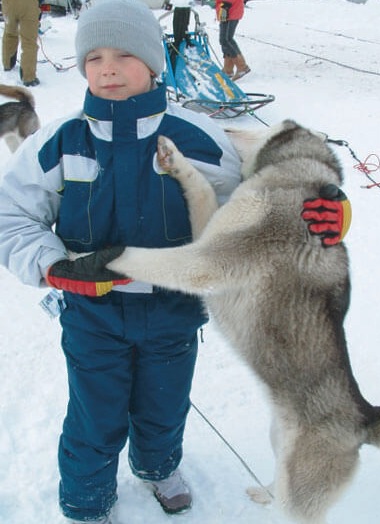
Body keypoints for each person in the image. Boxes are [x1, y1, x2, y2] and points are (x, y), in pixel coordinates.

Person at [0, 1, 349, 522]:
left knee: (163, 407)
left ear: (154, 62)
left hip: (174, 314)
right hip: (92, 315)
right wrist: (55, 266)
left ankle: (158, 466)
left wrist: (311, 218)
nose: (108, 68)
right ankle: (87, 501)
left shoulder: (201, 139)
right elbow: (13, 218)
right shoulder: (59, 140)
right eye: (92, 57)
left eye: (124, 54)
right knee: (94, 417)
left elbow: (246, 217)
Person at [1, 0, 41, 86]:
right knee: (29, 42)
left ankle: (8, 64)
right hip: (28, 4)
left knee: (9, 33)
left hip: (8, 4)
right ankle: (28, 77)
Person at [215, 0, 250, 81]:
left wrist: (224, 7)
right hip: (226, 9)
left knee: (226, 40)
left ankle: (241, 66)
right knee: (225, 40)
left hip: (229, 9)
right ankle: (228, 69)